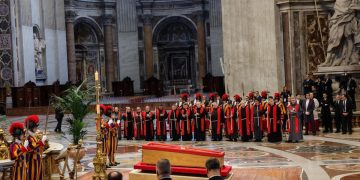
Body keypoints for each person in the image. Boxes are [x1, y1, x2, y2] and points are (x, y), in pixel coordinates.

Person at [24, 115, 48, 180]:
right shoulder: (29, 137)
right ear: (31, 128)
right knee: (33, 176)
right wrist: (41, 141)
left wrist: (44, 143)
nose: (36, 128)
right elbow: (32, 148)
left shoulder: (34, 136)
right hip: (32, 160)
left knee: (39, 175)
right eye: (35, 127)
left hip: (37, 159)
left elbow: (41, 147)